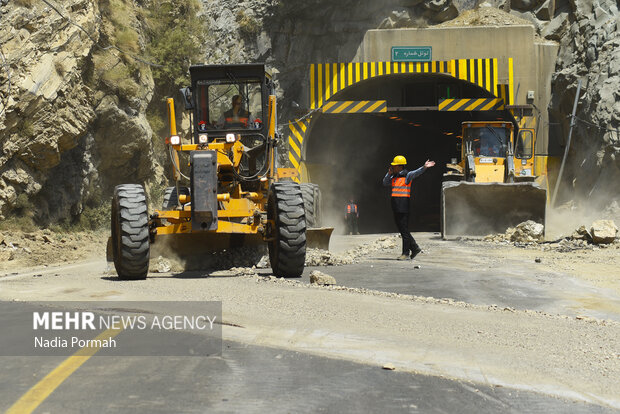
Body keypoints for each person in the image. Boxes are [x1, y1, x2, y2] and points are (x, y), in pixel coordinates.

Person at [382, 155, 435, 260]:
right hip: (396, 206)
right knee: (402, 230)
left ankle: (406, 253)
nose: (393, 167)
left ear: (400, 166)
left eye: (395, 166)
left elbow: (416, 172)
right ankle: (414, 248)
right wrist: (389, 173)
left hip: (403, 206)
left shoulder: (407, 176)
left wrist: (424, 167)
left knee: (404, 230)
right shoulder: (393, 177)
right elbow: (384, 183)